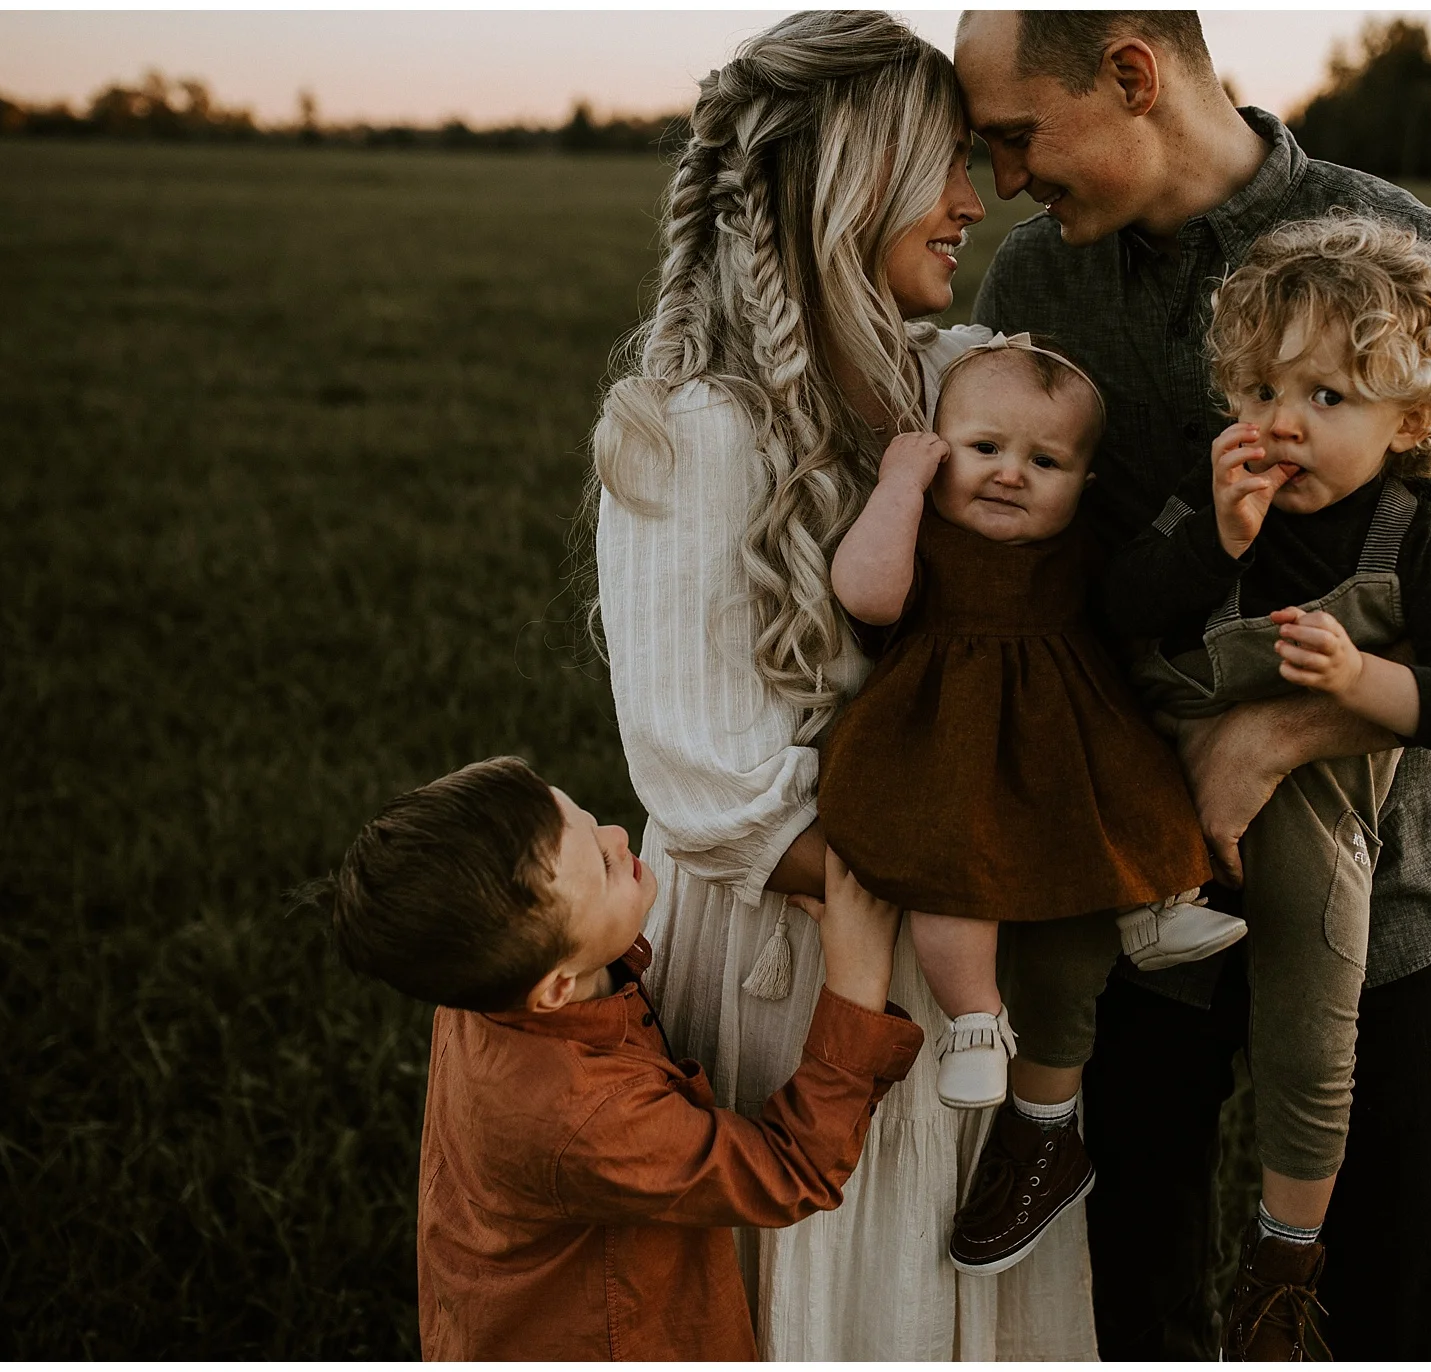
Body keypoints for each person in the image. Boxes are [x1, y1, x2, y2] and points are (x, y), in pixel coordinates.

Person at [956, 9, 1431, 1360]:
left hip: (1379, 908)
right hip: (1128, 896)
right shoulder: (1036, 288)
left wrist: (1279, 731)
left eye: (1017, 140)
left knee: (1393, 1312)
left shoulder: (1416, 261)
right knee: (1119, 1314)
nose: (1005, 185)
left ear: (1133, 76)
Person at [589, 12, 1097, 1359]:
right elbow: (713, 779)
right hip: (796, 965)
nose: (976, 202)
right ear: (858, 176)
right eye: (948, 164)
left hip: (961, 943)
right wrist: (976, 862)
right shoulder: (695, 429)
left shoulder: (951, 382)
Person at [1105, 213, 1431, 1356]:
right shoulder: (1210, 507)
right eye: (1262, 389)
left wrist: (1360, 687)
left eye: (1329, 398)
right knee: (1136, 1156)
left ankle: (1284, 1256)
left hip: (1319, 873)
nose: (1281, 422)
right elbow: (1113, 612)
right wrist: (1211, 546)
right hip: (1161, 862)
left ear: (1409, 424)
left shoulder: (1415, 546)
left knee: (1316, 1037)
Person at [818, 336, 1230, 1274]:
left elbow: (1139, 599)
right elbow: (869, 599)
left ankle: (1153, 905)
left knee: (1131, 780)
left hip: (1060, 727)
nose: (1011, 475)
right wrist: (898, 487)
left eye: (1045, 462)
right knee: (951, 865)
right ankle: (975, 1018)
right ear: (938, 448)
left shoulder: (1077, 550)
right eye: (984, 449)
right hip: (943, 740)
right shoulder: (924, 531)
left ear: (1084, 482)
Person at [318, 756, 923, 1360]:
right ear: (555, 988)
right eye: (604, 866)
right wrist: (856, 980)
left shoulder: (482, 981)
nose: (618, 835)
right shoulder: (585, 1113)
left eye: (584, 816)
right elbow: (790, 1172)